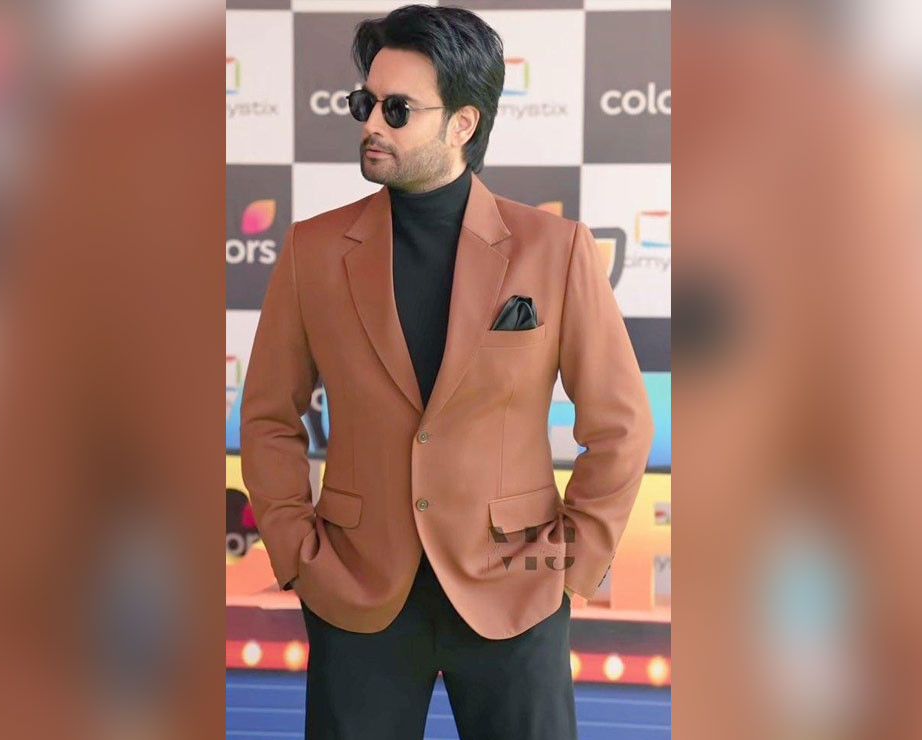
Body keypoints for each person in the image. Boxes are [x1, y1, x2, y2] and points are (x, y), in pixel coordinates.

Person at [238, 5, 654, 739]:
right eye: (365, 104)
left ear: (463, 123)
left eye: (397, 110)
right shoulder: (311, 251)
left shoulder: (554, 249)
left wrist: (571, 566)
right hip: (356, 593)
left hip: (517, 595)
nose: (372, 124)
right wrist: (299, 555)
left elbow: (620, 425)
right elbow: (269, 415)